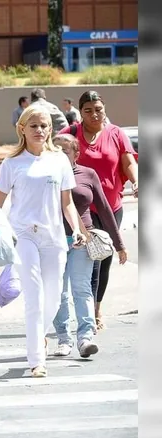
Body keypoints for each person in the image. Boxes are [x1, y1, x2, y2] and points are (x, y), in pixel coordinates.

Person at [0, 103, 86, 378]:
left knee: (54, 297)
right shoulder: (11, 163)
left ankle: (40, 337)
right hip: (23, 235)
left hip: (54, 236)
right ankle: (36, 359)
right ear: (22, 128)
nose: (40, 130)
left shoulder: (59, 161)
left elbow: (67, 203)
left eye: (44, 126)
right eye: (33, 125)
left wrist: (77, 229)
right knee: (33, 296)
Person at [58, 90, 138, 331]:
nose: (94, 114)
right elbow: (48, 152)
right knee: (87, 261)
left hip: (110, 206)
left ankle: (96, 307)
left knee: (104, 259)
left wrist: (136, 180)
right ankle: (87, 313)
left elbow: (128, 161)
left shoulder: (116, 134)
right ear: (80, 113)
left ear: (105, 109)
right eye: (88, 110)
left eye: (98, 109)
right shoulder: (70, 134)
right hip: (81, 207)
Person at [51, 134, 127, 358]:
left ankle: (85, 338)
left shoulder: (87, 174)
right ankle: (63, 339)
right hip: (52, 241)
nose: (60, 155)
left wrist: (119, 243)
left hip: (81, 239)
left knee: (82, 288)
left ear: (76, 153)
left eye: (65, 150)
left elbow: (104, 208)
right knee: (59, 292)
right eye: (55, 150)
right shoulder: (45, 175)